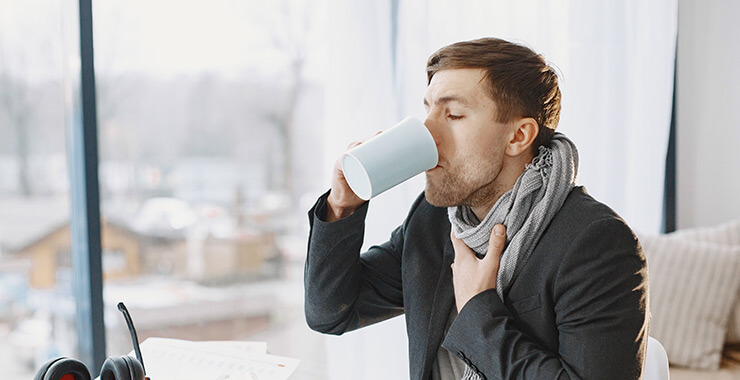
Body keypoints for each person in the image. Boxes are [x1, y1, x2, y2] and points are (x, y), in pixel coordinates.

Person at [304, 37, 649, 380]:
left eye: (453, 114)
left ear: (518, 136)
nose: (427, 131)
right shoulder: (433, 220)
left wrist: (477, 311)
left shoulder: (595, 243)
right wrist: (341, 207)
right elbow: (331, 313)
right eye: (428, 110)